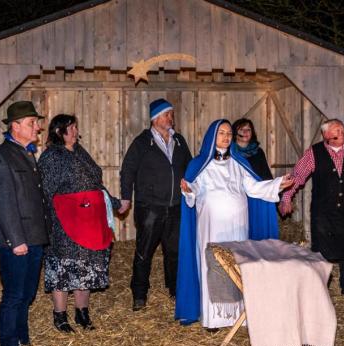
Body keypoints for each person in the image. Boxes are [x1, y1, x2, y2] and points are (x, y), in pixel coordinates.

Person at [175, 119, 293, 329]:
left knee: (238, 265)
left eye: (229, 133)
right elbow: (195, 189)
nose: (227, 137)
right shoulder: (199, 164)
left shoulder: (239, 163)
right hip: (212, 227)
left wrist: (277, 184)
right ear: (212, 136)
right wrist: (188, 189)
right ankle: (214, 317)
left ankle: (239, 315)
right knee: (213, 265)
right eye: (222, 133)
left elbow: (254, 187)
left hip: (238, 227)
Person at [38, 114, 121, 332]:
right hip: (65, 222)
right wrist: (50, 222)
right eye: (71, 128)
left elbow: (96, 184)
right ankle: (60, 316)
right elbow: (46, 192)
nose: (75, 131)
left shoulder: (80, 152)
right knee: (64, 267)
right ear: (58, 132)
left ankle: (82, 313)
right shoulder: (51, 157)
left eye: (76, 127)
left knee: (85, 266)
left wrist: (113, 202)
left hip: (90, 221)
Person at [0, 101, 50, 346]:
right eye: (32, 122)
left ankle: (23, 341)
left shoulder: (27, 154)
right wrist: (15, 240)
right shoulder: (0, 157)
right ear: (16, 126)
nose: (38, 127)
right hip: (17, 242)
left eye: (36, 122)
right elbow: (3, 203)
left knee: (27, 294)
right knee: (13, 296)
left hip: (33, 237)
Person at [279, 119, 344, 297]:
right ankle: (321, 293)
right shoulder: (314, 153)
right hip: (324, 213)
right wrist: (286, 198)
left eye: (343, 129)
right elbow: (297, 176)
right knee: (322, 254)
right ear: (326, 135)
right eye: (337, 130)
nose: (342, 132)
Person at [119, 99, 193, 311]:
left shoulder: (179, 141)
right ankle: (139, 294)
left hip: (176, 206)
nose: (171, 118)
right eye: (167, 114)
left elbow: (189, 167)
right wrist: (126, 198)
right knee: (144, 251)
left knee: (175, 252)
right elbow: (128, 170)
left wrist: (192, 185)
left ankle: (175, 290)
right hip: (150, 207)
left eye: (171, 114)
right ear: (155, 118)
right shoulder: (142, 142)